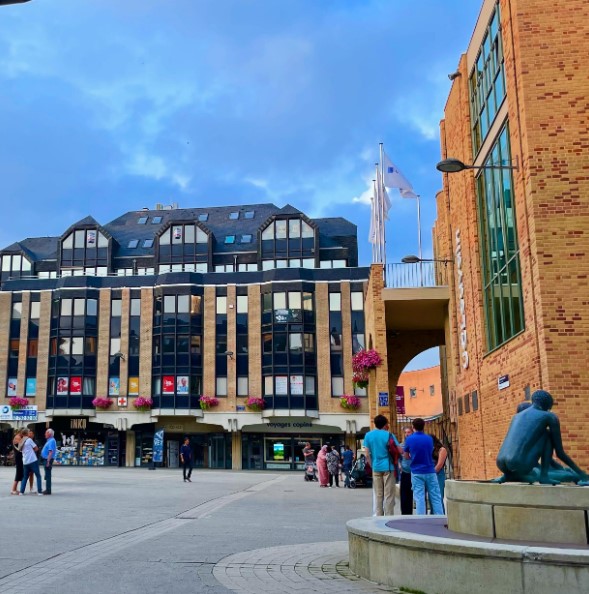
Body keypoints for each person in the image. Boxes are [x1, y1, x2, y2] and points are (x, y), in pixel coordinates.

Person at [496, 390, 589, 484]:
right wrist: (583, 475)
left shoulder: (516, 416)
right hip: (521, 465)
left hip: (500, 464)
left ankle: (507, 476)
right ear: (548, 406)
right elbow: (560, 453)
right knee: (547, 434)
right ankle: (544, 476)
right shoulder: (549, 416)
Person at [404, 418, 444, 515]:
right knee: (435, 496)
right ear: (423, 426)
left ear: (413, 427)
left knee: (419, 497)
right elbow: (430, 451)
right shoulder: (429, 439)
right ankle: (440, 518)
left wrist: (412, 456)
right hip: (430, 470)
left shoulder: (409, 439)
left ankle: (421, 520)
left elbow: (405, 455)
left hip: (417, 471)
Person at [363, 414, 401, 516]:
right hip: (388, 467)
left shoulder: (368, 435)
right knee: (389, 494)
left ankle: (379, 515)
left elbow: (366, 454)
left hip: (376, 467)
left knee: (378, 494)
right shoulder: (389, 435)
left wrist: (371, 465)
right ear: (385, 424)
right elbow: (399, 449)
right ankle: (388, 516)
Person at [19, 430, 43, 496]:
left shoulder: (21, 441)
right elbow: (36, 449)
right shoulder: (29, 440)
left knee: (25, 477)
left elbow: (21, 450)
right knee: (38, 476)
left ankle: (21, 491)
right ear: (26, 434)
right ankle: (40, 491)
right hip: (32, 460)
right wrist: (31, 451)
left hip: (25, 461)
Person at [10, 429, 32, 495]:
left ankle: (15, 488)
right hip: (18, 457)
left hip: (20, 456)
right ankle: (13, 489)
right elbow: (21, 446)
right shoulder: (17, 437)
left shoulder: (20, 437)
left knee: (20, 472)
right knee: (19, 472)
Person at [431, 435, 448, 513]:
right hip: (430, 475)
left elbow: (439, 465)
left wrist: (432, 473)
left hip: (438, 475)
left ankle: (440, 516)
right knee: (431, 499)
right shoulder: (430, 449)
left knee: (438, 497)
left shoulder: (442, 450)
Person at [400, 426, 413, 515]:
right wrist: (399, 465)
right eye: (405, 432)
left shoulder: (415, 444)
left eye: (408, 432)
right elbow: (398, 458)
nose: (407, 434)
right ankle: (405, 513)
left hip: (415, 471)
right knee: (404, 495)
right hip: (405, 472)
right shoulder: (401, 445)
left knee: (415, 494)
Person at [41, 428, 57, 495]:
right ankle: (47, 489)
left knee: (48, 475)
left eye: (46, 433)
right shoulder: (49, 440)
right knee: (47, 474)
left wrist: (48, 461)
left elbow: (50, 452)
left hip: (48, 460)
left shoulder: (51, 441)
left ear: (49, 434)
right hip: (46, 459)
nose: (45, 434)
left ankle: (48, 490)